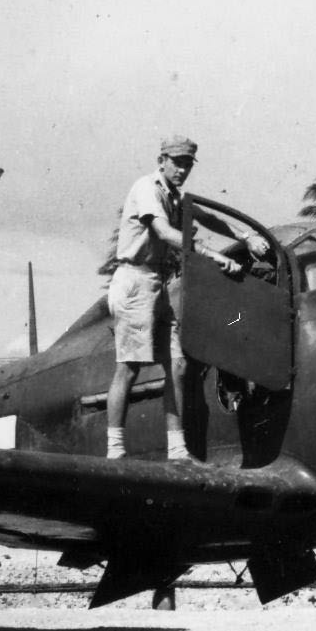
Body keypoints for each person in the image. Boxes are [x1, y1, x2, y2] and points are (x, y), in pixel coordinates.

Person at [105, 136, 244, 460]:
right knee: (129, 367)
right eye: (177, 162)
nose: (182, 169)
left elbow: (205, 217)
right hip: (134, 280)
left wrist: (242, 236)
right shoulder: (147, 189)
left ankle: (178, 448)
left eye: (187, 164)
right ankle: (114, 449)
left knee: (178, 365)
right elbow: (165, 232)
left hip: (156, 282)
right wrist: (213, 254)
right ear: (162, 160)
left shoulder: (174, 195)